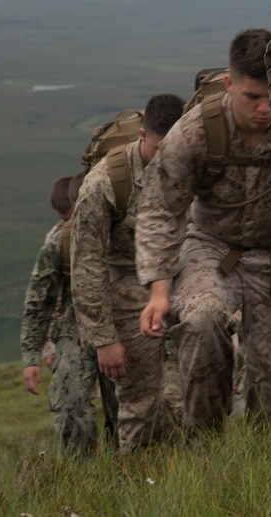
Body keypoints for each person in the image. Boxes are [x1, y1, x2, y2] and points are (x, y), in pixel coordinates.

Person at [137, 28, 271, 438]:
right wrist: (158, 290)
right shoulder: (196, 132)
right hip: (210, 250)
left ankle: (266, 458)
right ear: (229, 84)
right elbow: (159, 210)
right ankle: (205, 448)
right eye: (252, 97)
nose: (264, 109)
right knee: (203, 322)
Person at [70, 93, 186, 453]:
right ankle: (136, 478)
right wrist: (103, 339)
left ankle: (196, 469)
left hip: (187, 280)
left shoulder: (196, 163)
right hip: (129, 288)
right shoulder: (104, 183)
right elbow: (86, 264)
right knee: (139, 400)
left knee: (201, 391)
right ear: (141, 136)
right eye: (159, 147)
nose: (169, 157)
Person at [21, 173, 117, 454]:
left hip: (125, 321)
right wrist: (32, 356)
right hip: (76, 326)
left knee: (125, 409)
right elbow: (39, 301)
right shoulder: (58, 242)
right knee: (71, 405)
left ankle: (130, 468)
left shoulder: (128, 231)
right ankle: (81, 477)